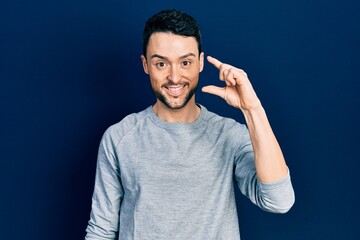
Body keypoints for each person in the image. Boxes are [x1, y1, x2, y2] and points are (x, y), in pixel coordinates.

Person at [85, 9, 295, 240]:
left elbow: (279, 201)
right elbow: (101, 231)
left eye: (185, 62)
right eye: (161, 64)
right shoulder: (119, 138)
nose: (175, 77)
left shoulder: (228, 135)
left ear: (200, 63)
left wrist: (252, 109)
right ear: (145, 65)